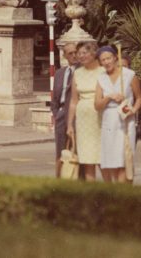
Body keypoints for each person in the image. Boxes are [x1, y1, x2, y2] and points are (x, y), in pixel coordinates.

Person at [94, 46, 141, 183]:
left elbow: (139, 97)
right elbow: (97, 105)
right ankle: (117, 192)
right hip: (109, 121)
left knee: (125, 160)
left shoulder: (129, 75)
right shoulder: (101, 78)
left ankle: (125, 192)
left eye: (108, 58)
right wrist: (109, 97)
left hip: (125, 121)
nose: (106, 62)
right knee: (112, 161)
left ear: (115, 57)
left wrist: (133, 110)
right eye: (103, 60)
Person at [67, 41, 104, 181]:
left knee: (102, 157)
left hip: (100, 118)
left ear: (93, 53)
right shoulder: (77, 73)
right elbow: (73, 101)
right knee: (87, 158)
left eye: (84, 53)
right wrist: (70, 124)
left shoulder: (103, 71)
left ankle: (110, 192)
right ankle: (92, 193)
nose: (80, 56)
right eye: (79, 53)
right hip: (83, 121)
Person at [51, 42, 78, 177]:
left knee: (76, 152)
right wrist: (56, 114)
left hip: (76, 116)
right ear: (64, 55)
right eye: (70, 53)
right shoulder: (60, 73)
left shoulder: (82, 72)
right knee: (60, 152)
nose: (74, 56)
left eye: (75, 52)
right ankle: (59, 180)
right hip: (61, 115)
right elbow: (54, 98)